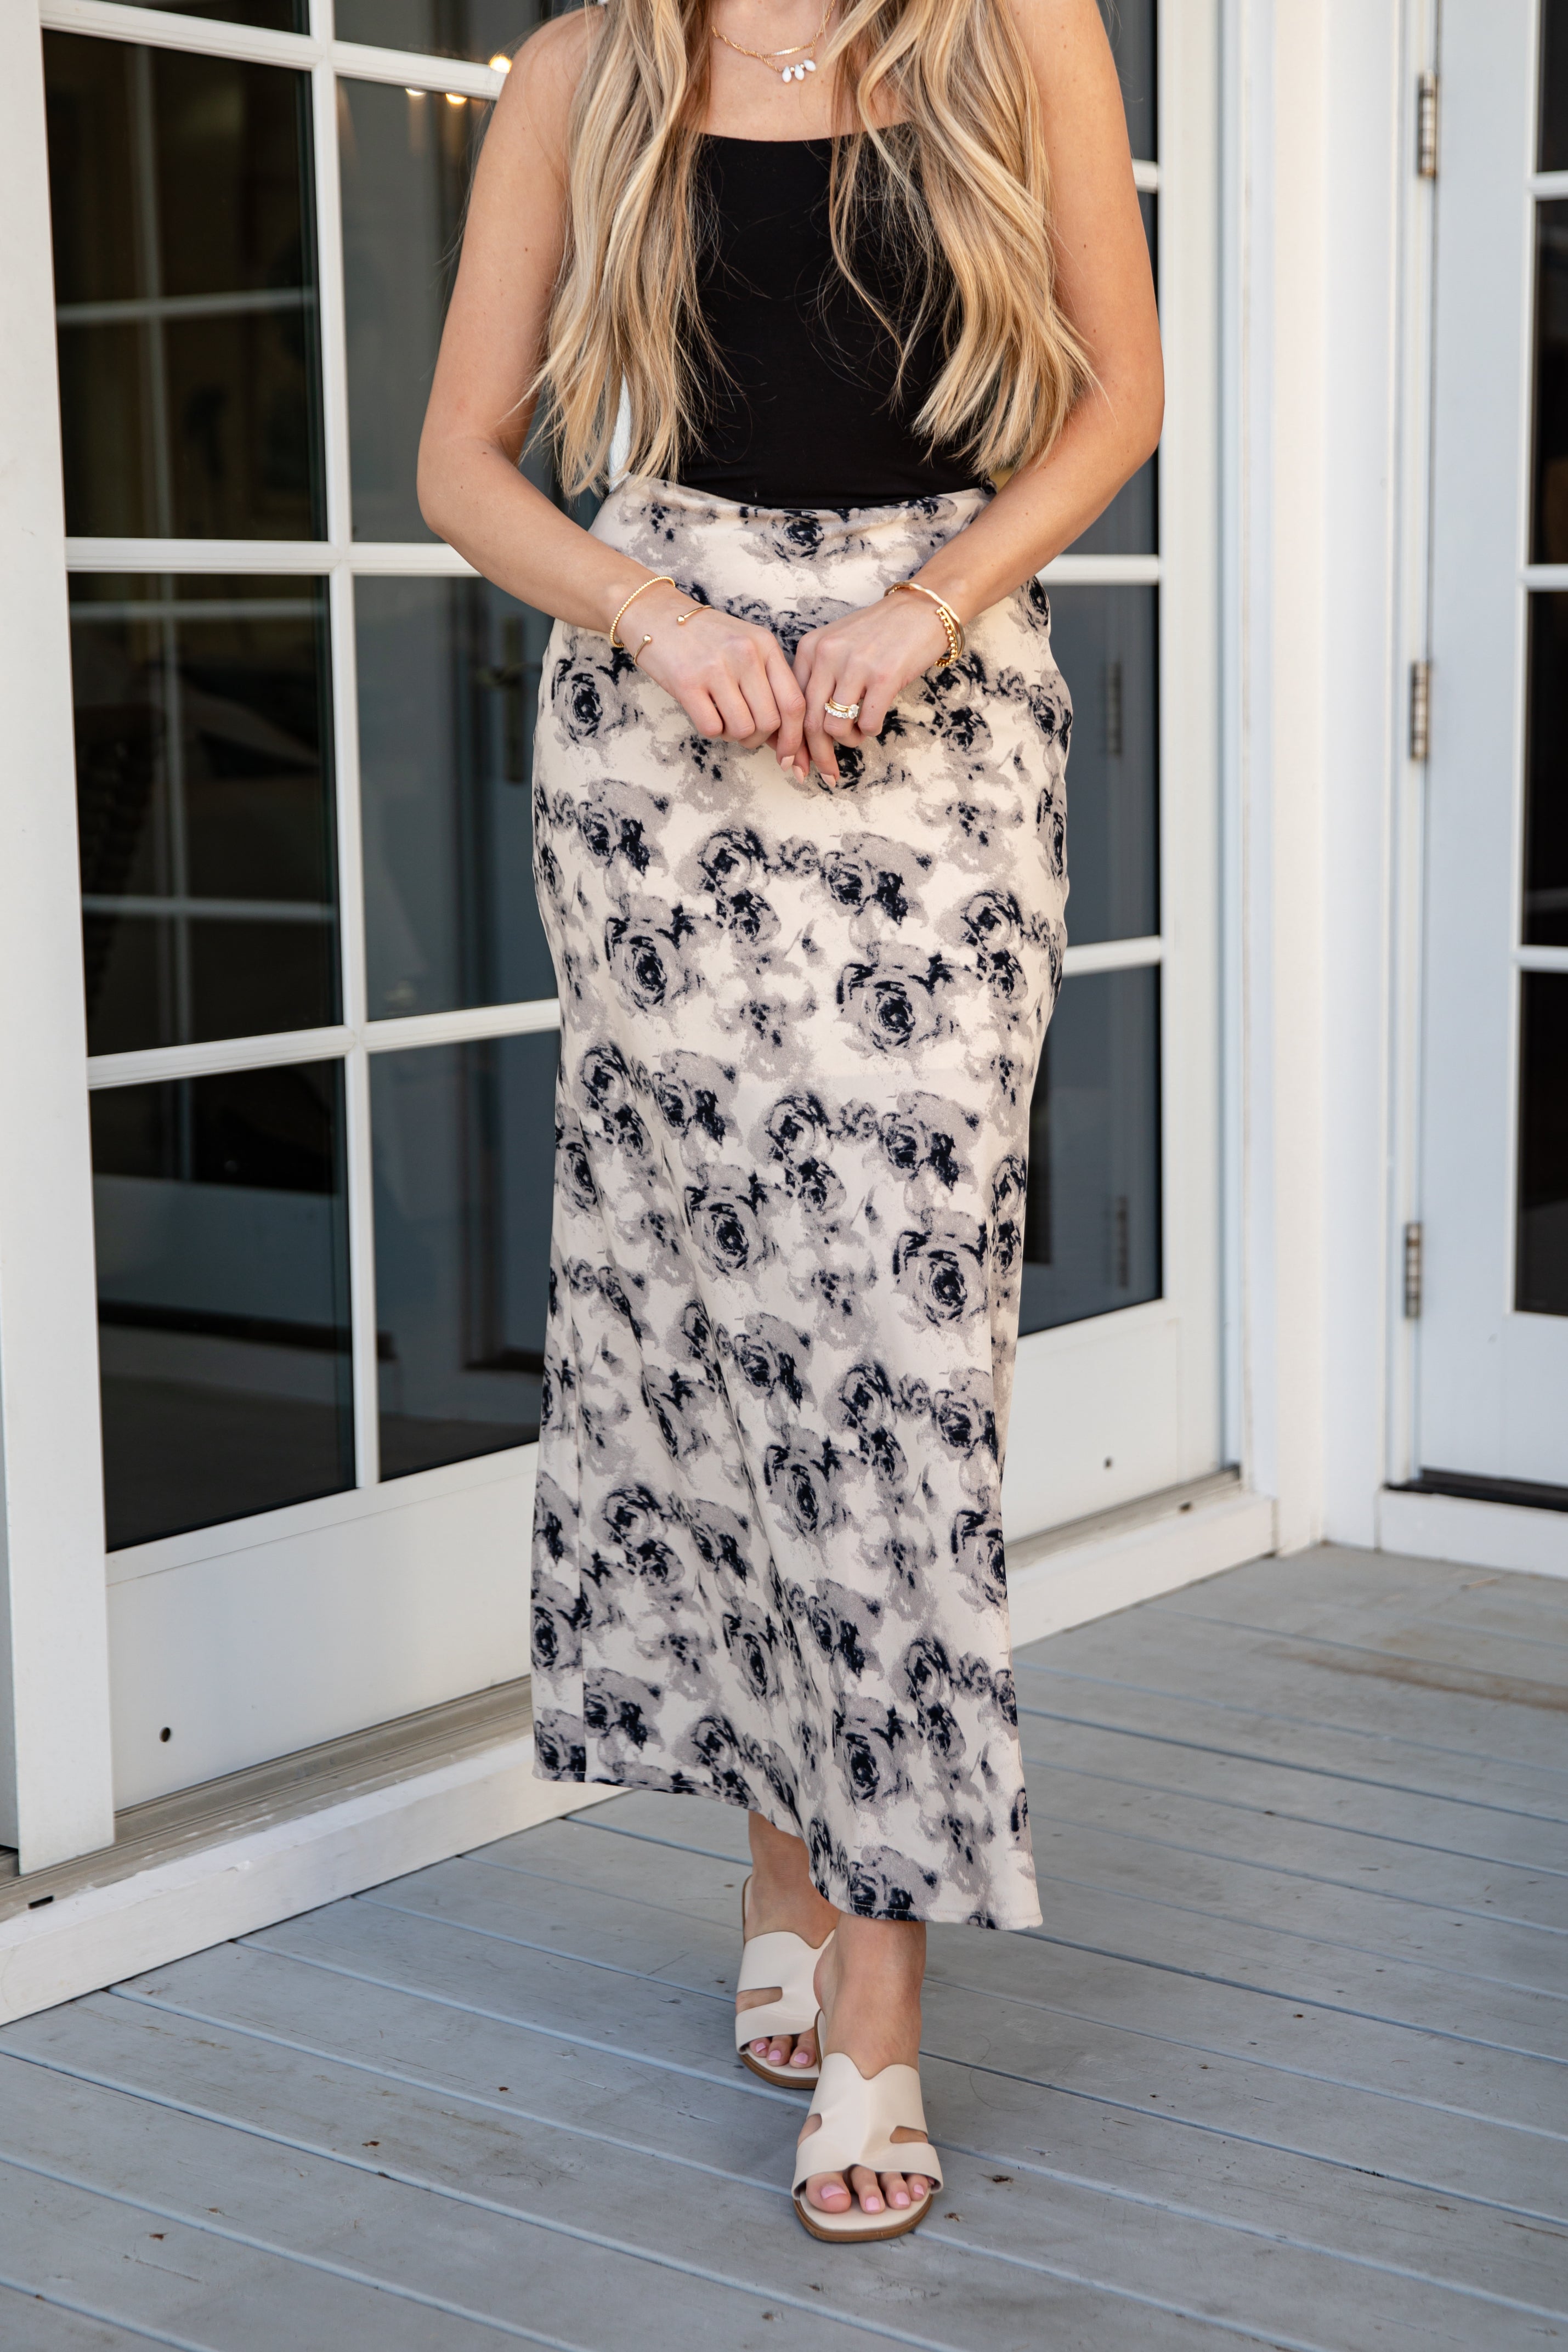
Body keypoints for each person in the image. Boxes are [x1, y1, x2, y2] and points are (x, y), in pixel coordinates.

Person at [418, 0, 1161, 2244]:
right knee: (708, 1308)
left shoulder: (1016, 29)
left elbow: (1120, 390)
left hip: (937, 736)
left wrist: (928, 603)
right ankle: (777, 1843)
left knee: (899, 1354)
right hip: (662, 760)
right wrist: (648, 609)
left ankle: (877, 1995)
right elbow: (461, 462)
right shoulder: (579, 75)